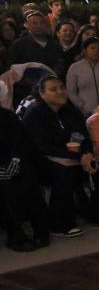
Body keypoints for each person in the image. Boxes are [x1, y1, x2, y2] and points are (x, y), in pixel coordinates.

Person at [20, 76, 99, 236]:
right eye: (53, 89)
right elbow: (41, 146)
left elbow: (84, 136)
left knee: (98, 165)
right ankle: (59, 224)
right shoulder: (35, 114)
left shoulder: (71, 111)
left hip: (73, 156)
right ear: (42, 94)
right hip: (41, 160)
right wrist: (75, 158)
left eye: (62, 88)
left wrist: (86, 154)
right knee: (64, 171)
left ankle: (98, 214)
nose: (60, 92)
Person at [0, 106, 49, 251]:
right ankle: (15, 234)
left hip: (14, 160)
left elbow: (21, 140)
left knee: (28, 176)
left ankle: (40, 229)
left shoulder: (7, 115)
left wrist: (15, 160)